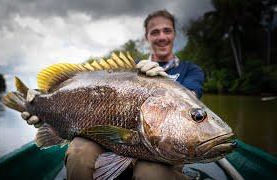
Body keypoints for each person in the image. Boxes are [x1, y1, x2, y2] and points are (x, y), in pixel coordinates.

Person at [22, 10, 204, 180]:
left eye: (167, 31)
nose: (162, 37)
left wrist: (168, 86)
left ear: (174, 34)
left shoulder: (191, 70)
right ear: (147, 37)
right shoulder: (132, 70)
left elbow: (191, 99)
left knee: (149, 173)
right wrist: (45, 113)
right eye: (155, 32)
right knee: (79, 152)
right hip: (111, 142)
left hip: (164, 146)